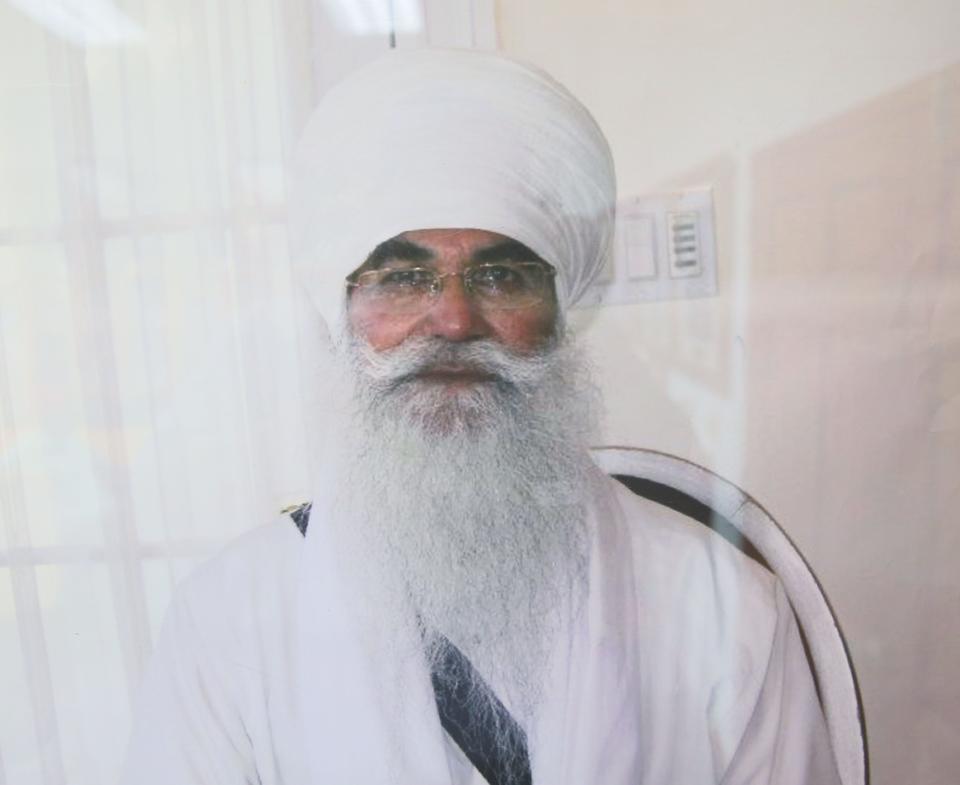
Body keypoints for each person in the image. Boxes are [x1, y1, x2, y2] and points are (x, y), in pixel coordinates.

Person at [120, 49, 841, 785]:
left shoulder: (723, 613)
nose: (455, 318)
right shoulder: (229, 622)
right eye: (403, 277)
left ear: (561, 316)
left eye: (501, 275)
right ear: (342, 315)